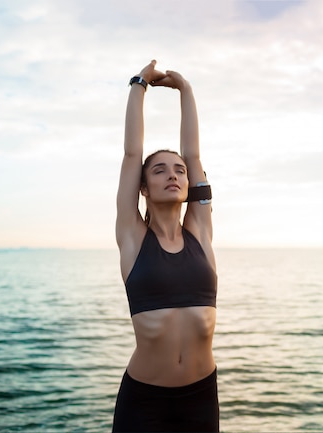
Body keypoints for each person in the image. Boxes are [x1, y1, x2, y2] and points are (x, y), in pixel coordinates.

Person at [111, 60, 219, 432]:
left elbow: (194, 156)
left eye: (178, 171)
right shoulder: (133, 236)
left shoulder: (201, 233)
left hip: (201, 398)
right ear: (143, 187)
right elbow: (131, 154)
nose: (173, 174)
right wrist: (139, 85)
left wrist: (185, 90)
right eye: (159, 170)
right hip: (144, 402)